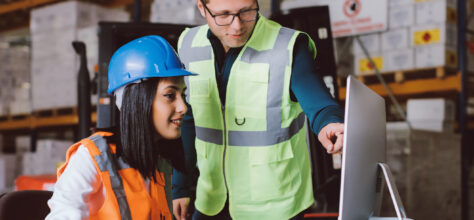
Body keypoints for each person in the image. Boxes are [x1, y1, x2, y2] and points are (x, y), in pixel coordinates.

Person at [172, 0, 345, 219]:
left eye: (246, 12)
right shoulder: (188, 44)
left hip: (276, 205)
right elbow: (189, 120)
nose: (237, 26)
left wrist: (330, 123)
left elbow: (319, 103)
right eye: (223, 15)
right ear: (201, 8)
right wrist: (179, 186)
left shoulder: (287, 46)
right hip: (212, 198)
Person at [46, 35, 195, 220]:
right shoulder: (92, 157)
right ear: (137, 100)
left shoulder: (159, 161)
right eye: (170, 95)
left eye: (182, 94)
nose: (183, 107)